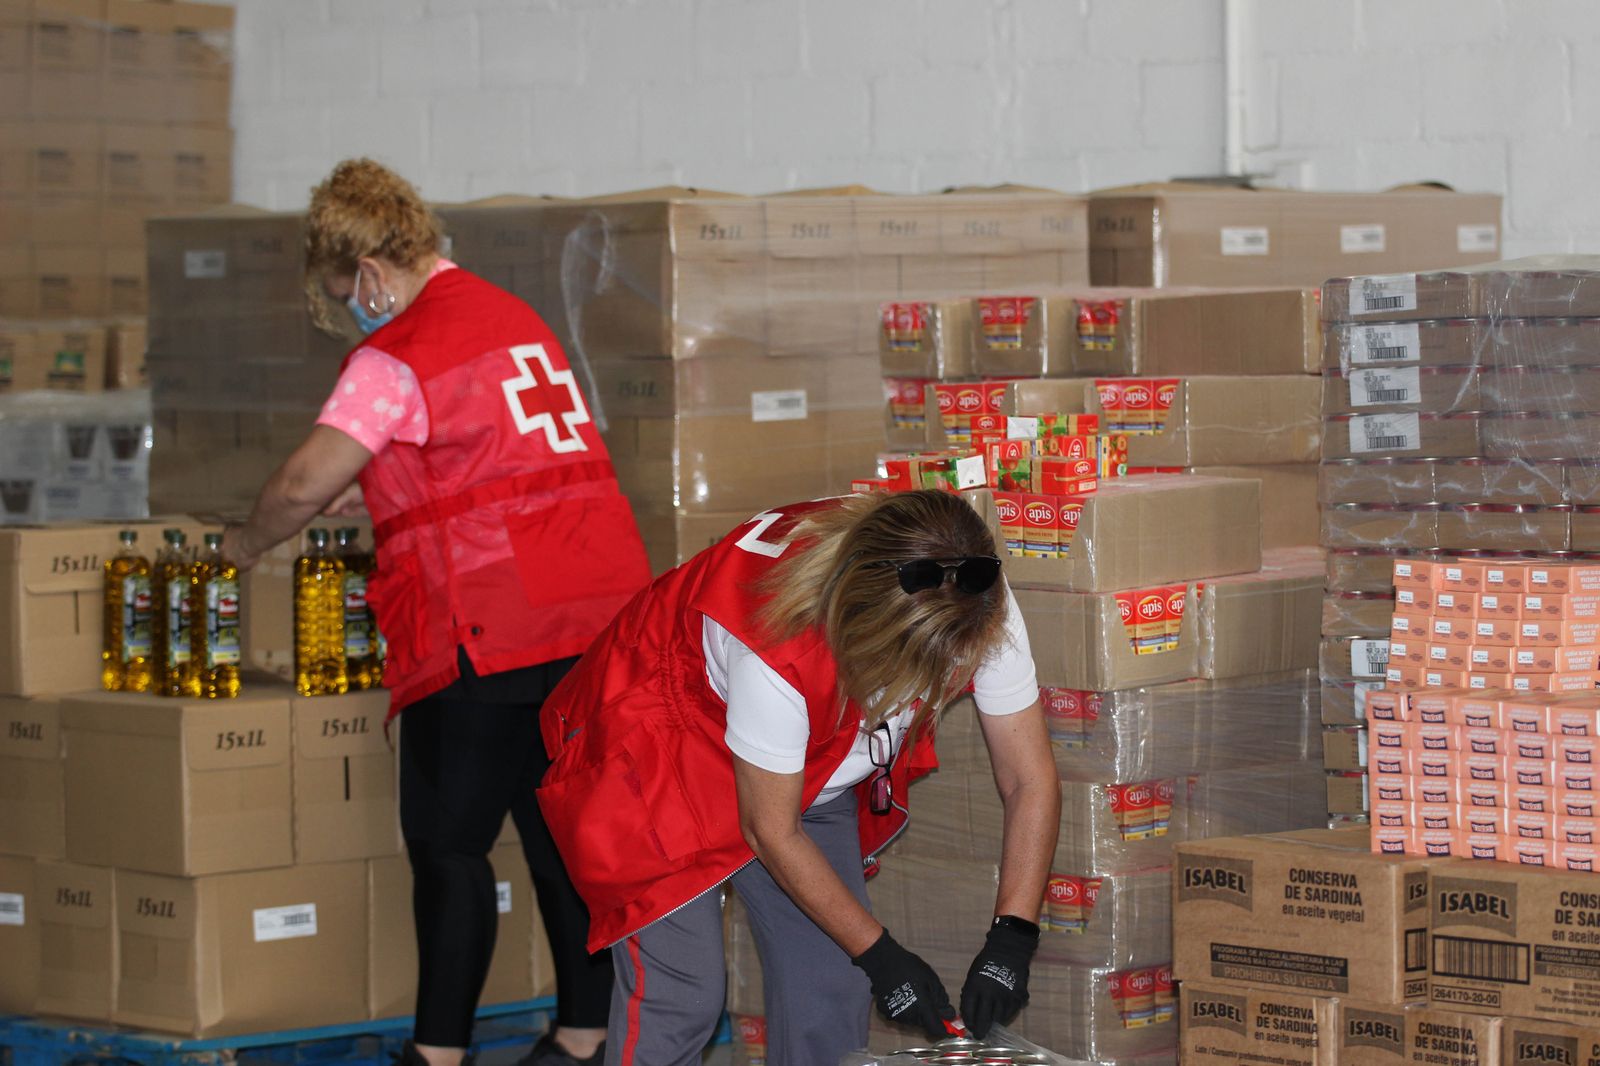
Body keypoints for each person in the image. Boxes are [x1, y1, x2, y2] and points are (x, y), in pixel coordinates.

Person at [220, 159, 652, 1066]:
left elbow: (299, 483)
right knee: (559, 839)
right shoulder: (510, 317)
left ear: (372, 273)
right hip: (587, 620)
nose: (352, 313)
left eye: (346, 297)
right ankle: (583, 1040)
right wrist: (382, 487)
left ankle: (438, 1055)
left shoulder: (396, 354)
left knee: (449, 850)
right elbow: (492, 458)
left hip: (485, 630)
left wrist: (245, 545)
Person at [536, 490, 1061, 1066]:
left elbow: (1028, 778)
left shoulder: (970, 593)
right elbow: (771, 829)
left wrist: (1012, 937)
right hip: (664, 746)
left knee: (831, 980)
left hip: (802, 760)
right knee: (684, 995)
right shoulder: (778, 648)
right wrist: (883, 956)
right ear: (861, 629)